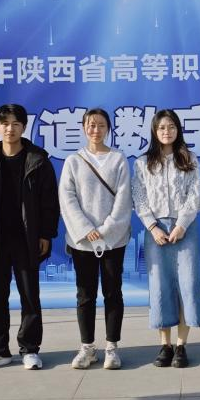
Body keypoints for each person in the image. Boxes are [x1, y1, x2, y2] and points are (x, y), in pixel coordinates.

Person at [0, 104, 60, 370]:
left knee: (30, 296)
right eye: (5, 123)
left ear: (24, 127)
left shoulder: (38, 160)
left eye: (16, 123)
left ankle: (30, 349)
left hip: (27, 239)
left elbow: (49, 201)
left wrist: (46, 234)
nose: (10, 129)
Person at [58, 108, 132, 370]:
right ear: (83, 128)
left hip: (114, 240)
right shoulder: (74, 161)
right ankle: (87, 347)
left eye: (101, 125)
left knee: (113, 292)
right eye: (91, 125)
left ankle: (112, 347)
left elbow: (124, 197)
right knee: (85, 294)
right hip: (83, 241)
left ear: (108, 128)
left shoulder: (118, 159)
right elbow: (67, 198)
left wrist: (107, 229)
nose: (96, 130)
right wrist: (86, 228)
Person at [131, 109, 200, 368]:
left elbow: (195, 195)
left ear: (178, 130)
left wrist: (182, 225)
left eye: (171, 127)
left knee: (187, 284)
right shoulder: (143, 163)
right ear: (154, 131)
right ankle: (165, 345)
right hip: (157, 230)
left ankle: (182, 346)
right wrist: (152, 227)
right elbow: (139, 197)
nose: (166, 131)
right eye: (161, 127)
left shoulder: (189, 159)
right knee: (160, 286)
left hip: (185, 228)